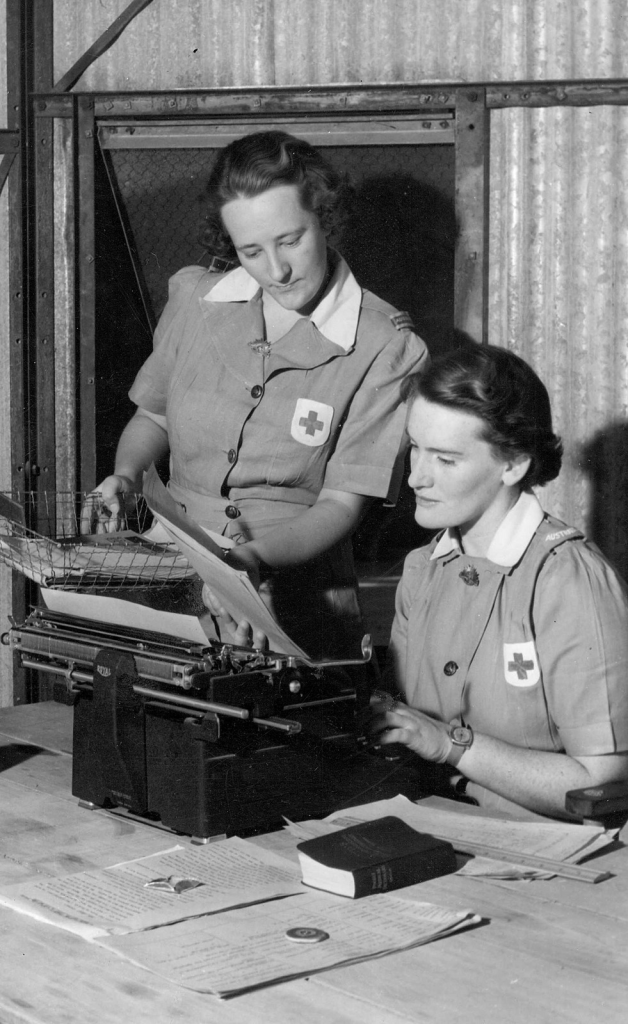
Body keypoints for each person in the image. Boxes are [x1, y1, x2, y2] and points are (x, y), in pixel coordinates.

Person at [82, 130, 427, 659]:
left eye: (291, 240)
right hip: (171, 572)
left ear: (325, 219)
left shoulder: (384, 344)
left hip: (294, 598)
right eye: (251, 251)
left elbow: (341, 504)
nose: (277, 270)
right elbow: (153, 416)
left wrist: (247, 562)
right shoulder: (196, 299)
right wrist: (125, 478)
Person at [370, 342, 628, 820]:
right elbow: (396, 724)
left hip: (554, 857)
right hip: (430, 829)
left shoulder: (570, 581)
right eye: (415, 451)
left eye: (445, 460)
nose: (416, 480)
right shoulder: (420, 570)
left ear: (514, 464)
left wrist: (449, 744)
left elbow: (602, 783)